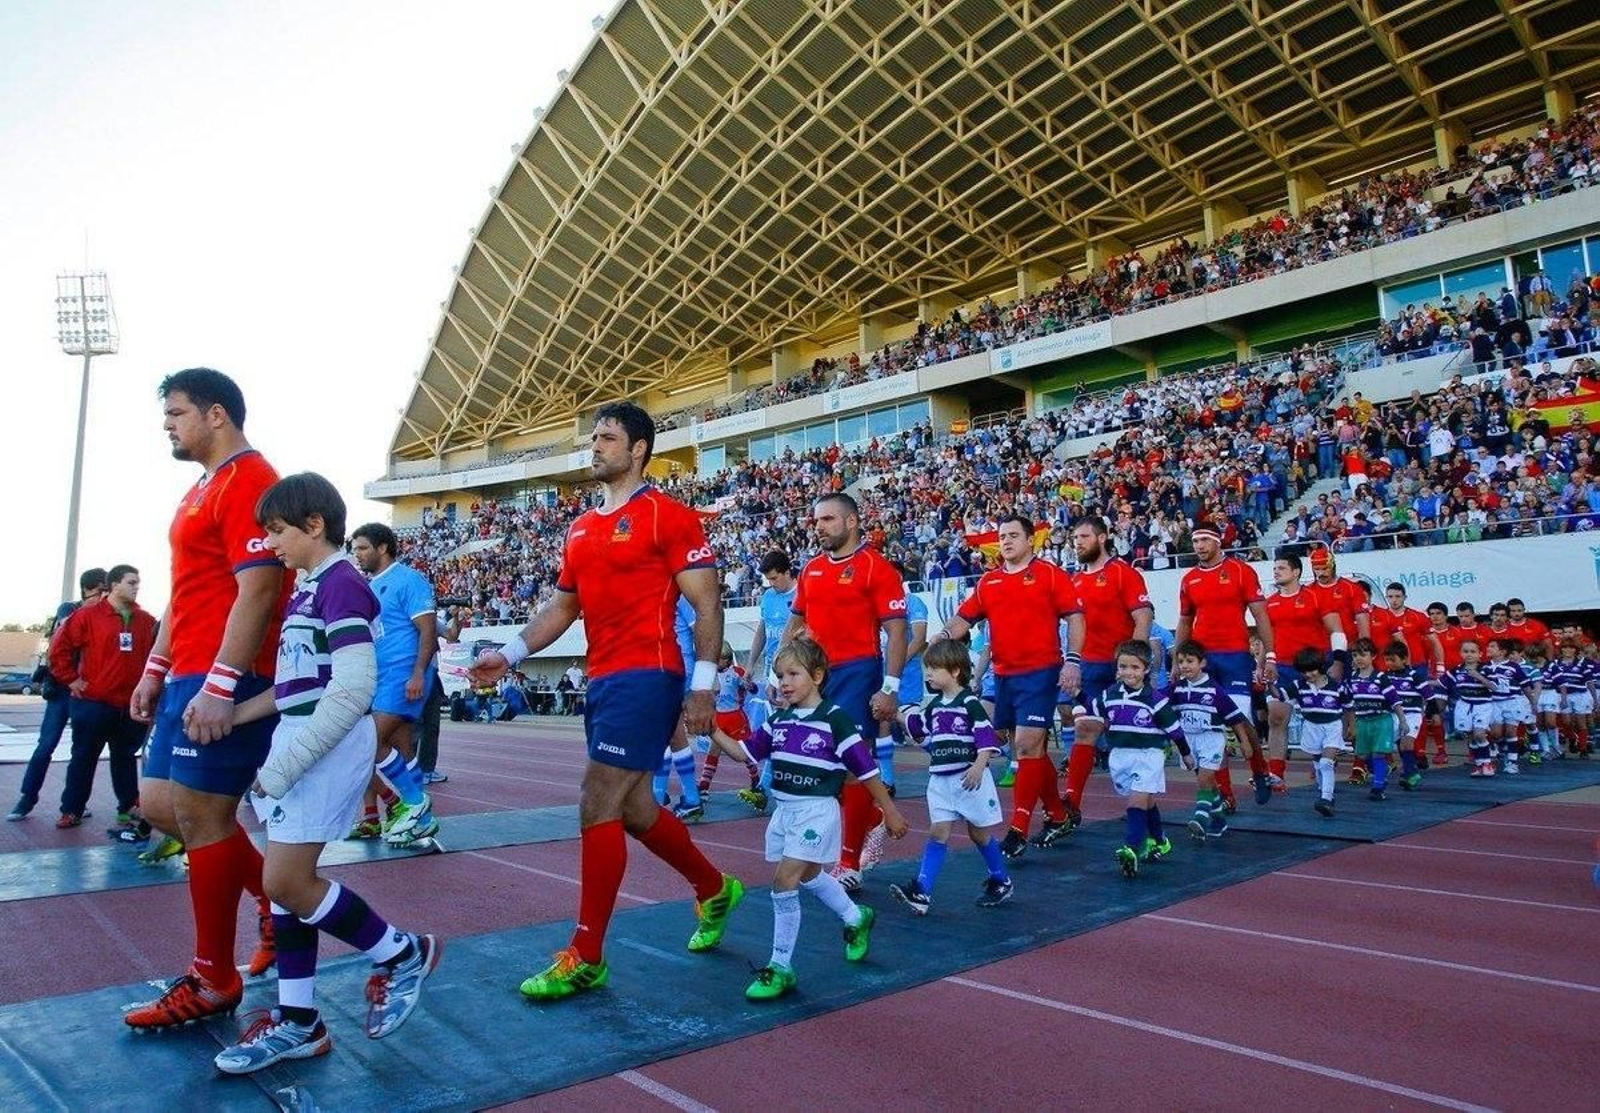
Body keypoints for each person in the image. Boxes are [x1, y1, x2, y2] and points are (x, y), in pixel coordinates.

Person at [468, 402, 742, 1001]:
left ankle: (587, 952)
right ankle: (714, 887)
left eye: (607, 438)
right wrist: (510, 653)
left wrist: (702, 686)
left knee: (597, 800)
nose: (595, 447)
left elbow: (708, 605)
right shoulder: (581, 528)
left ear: (638, 448)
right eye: (593, 438)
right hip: (606, 677)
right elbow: (564, 607)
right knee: (637, 809)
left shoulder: (668, 516)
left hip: (652, 673)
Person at [209, 473, 439, 1074]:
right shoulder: (309, 587)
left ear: (314, 526)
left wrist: (281, 767)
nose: (269, 544)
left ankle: (400, 952)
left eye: (276, 531)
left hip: (325, 746)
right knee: (288, 891)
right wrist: (234, 714)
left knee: (285, 883)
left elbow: (353, 688)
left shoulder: (342, 585)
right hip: (304, 736)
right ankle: (299, 1020)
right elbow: (295, 689)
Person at [124, 368, 293, 1030]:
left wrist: (223, 685)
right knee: (161, 805)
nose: (167, 423)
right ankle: (271, 902)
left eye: (177, 412)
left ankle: (213, 977)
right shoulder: (201, 487)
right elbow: (186, 589)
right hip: (187, 668)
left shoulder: (252, 478)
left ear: (216, 414)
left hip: (226, 673)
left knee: (201, 814)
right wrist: (154, 667)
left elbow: (258, 590)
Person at [715, 637, 906, 1001]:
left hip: (816, 811)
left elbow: (865, 771)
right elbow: (744, 754)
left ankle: (780, 966)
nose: (784, 682)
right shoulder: (779, 721)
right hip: (784, 812)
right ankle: (855, 917)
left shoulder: (835, 720)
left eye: (793, 674)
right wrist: (712, 729)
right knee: (808, 874)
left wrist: (891, 811)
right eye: (779, 675)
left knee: (783, 879)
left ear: (817, 676)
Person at [935, 514, 1083, 860]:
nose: (1006, 541)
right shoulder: (989, 582)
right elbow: (963, 618)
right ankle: (1059, 815)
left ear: (1031, 540)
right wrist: (941, 638)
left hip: (1041, 672)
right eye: (1002, 536)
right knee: (1027, 749)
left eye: (1014, 535)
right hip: (1003, 675)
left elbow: (1075, 616)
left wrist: (1073, 660)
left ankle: (1018, 829)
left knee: (1028, 745)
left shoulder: (1049, 574)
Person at [782, 492, 907, 891]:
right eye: (817, 520)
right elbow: (796, 623)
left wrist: (890, 688)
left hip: (858, 672)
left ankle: (849, 862)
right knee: (823, 766)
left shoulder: (876, 567)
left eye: (828, 520)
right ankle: (869, 820)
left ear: (852, 522)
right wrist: (777, 675)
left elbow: (896, 630)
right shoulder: (811, 570)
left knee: (854, 762)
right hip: (816, 674)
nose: (819, 527)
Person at [888, 638, 1013, 915]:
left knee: (979, 834)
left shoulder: (970, 703)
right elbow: (917, 725)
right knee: (938, 832)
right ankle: (922, 891)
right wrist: (893, 712)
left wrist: (979, 766)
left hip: (969, 779)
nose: (928, 674)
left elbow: (985, 738)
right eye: (927, 668)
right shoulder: (935, 706)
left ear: (955, 671)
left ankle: (1000, 879)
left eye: (933, 668)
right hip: (941, 781)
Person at [349, 523, 439, 846]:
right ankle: (423, 820)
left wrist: (417, 673)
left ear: (382, 547)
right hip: (382, 675)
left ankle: (412, 803)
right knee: (402, 749)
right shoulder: (371, 586)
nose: (357, 554)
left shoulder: (408, 579)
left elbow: (428, 631)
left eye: (362, 548)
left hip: (403, 673)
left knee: (367, 741)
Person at [48, 565, 155, 829]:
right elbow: (58, 650)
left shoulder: (146, 620)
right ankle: (71, 810)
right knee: (83, 758)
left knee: (126, 757)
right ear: (114, 585)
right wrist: (71, 679)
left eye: (138, 583)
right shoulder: (87, 616)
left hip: (129, 707)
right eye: (131, 582)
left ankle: (128, 807)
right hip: (93, 704)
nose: (136, 587)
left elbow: (158, 657)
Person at [1174, 523, 1273, 807]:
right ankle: (1225, 794)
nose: (1200, 546)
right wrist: (1176, 662)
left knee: (1241, 719)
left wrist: (1270, 655)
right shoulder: (1189, 578)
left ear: (1218, 542)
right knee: (1210, 727)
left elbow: (1261, 615)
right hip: (1203, 659)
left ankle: (1259, 770)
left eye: (1205, 540)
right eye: (1195, 541)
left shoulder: (1242, 570)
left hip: (1234, 656)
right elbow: (1184, 622)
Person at [1062, 516, 1152, 827]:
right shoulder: (1073, 581)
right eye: (1076, 538)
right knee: (1084, 729)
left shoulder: (1123, 573)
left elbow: (1143, 617)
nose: (1078, 542)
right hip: (1088, 666)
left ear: (1102, 538)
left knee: (1130, 741)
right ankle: (1071, 803)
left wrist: (1132, 663)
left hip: (1120, 668)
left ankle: (1213, 793)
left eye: (1085, 536)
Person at [1077, 641, 1192, 879]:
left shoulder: (1155, 699)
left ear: (1146, 670)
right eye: (1123, 667)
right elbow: (1094, 707)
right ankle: (1160, 841)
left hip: (1149, 756)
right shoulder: (1110, 694)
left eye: (1135, 667)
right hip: (1120, 755)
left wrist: (1186, 753)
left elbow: (1175, 730)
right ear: (1117, 668)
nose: (1128, 672)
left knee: (1136, 803)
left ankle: (1131, 847)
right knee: (1146, 801)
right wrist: (1077, 694)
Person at [9, 568, 107, 821]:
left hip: (86, 691)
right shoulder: (70, 610)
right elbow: (61, 643)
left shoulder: (106, 615)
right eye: (101, 591)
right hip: (64, 689)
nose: (105, 596)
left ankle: (75, 803)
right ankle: (27, 798)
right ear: (87, 590)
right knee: (46, 745)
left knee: (82, 751)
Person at [1263, 554, 1339, 797]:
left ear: (1296, 572)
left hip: (1314, 667)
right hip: (1282, 667)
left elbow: (1336, 629)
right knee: (1276, 717)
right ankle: (1276, 773)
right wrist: (1262, 662)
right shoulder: (1270, 602)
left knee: (1320, 719)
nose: (1276, 572)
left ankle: (1325, 765)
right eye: (1275, 568)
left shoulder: (1316, 596)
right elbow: (1267, 636)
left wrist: (1338, 660)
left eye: (1282, 568)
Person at [1165, 641, 1258, 841]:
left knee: (1205, 779)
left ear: (1202, 663)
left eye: (1190, 661)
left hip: (1211, 738)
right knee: (1207, 783)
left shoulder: (1214, 690)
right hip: (1189, 741)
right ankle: (1219, 820)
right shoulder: (1176, 689)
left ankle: (1200, 817)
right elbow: (1158, 705)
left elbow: (1235, 718)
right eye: (1181, 661)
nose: (1184, 665)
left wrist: (1245, 742)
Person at [1272, 647, 1353, 817]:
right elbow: (1279, 695)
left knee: (1326, 763)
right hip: (1311, 727)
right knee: (1318, 763)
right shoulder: (1298, 685)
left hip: (1332, 726)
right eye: (1304, 671)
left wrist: (1351, 726)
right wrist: (1269, 683)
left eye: (1312, 670)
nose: (1308, 674)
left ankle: (1326, 799)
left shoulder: (1336, 687)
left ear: (1321, 667)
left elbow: (1349, 707)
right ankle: (1324, 791)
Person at [1347, 640, 1409, 801]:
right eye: (1355, 655)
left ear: (1373, 656)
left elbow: (1395, 700)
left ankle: (1378, 787)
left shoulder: (1381, 677)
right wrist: (1351, 724)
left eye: (1363, 654)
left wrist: (1403, 721)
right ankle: (1382, 772)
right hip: (1363, 722)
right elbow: (1350, 705)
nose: (1358, 658)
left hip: (1381, 720)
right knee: (1363, 754)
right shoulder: (1352, 679)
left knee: (1378, 754)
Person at [698, 642, 761, 797]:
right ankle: (704, 786)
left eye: (718, 659)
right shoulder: (710, 674)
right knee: (713, 751)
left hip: (735, 718)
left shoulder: (736, 672)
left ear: (726, 660)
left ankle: (755, 780)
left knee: (746, 752)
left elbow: (753, 688)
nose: (715, 662)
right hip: (718, 718)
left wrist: (749, 685)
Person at [1436, 639, 1498, 776]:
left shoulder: (1486, 668)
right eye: (1465, 651)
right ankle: (1478, 764)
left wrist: (1479, 677)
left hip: (1483, 705)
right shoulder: (1457, 669)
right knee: (1470, 735)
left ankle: (1487, 763)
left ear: (1480, 654)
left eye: (1472, 652)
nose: (1469, 655)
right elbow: (1441, 683)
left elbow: (1494, 686)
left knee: (1479, 734)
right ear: (1460, 653)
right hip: (1465, 705)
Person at [1381, 642, 1429, 790]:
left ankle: (1410, 774)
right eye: (1387, 660)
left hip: (1412, 714)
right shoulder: (1385, 676)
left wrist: (1432, 713)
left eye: (1393, 660)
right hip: (1393, 715)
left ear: (1404, 659)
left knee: (1406, 743)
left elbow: (1428, 695)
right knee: (1399, 745)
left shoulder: (1415, 675)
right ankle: (1410, 771)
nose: (1390, 663)